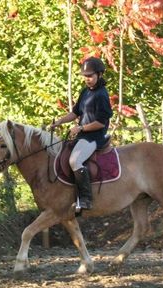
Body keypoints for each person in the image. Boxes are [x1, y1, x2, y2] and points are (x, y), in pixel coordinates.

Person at [51, 56, 113, 210]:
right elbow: (75, 113)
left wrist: (80, 128)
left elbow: (101, 122)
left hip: (94, 137)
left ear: (99, 75)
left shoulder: (102, 95)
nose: (87, 79)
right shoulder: (85, 92)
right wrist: (59, 121)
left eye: (90, 76)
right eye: (85, 76)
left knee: (75, 161)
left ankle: (86, 199)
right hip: (83, 136)